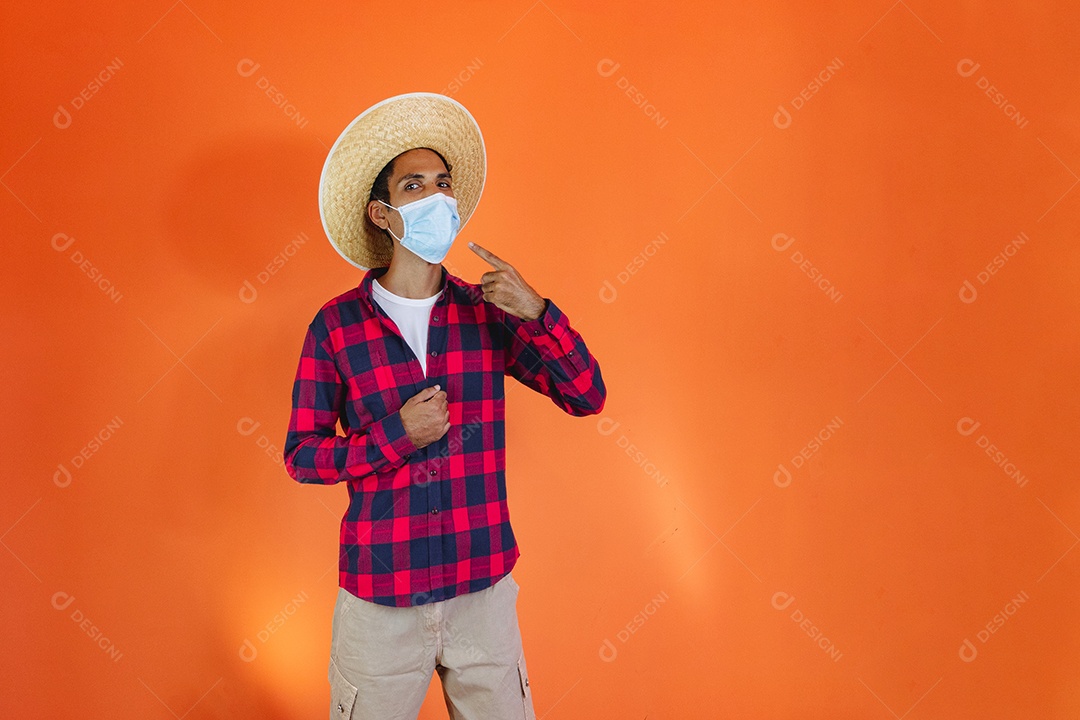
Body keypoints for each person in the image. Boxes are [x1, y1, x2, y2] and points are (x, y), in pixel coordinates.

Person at [282, 92, 607, 719]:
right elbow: (302, 456)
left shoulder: (489, 312)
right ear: (382, 212)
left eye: (443, 184)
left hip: (482, 589)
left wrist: (538, 313)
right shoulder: (336, 326)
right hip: (381, 599)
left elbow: (587, 395)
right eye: (415, 186)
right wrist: (396, 435)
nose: (437, 199)